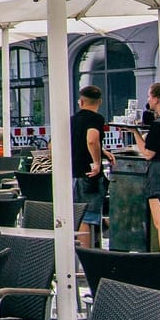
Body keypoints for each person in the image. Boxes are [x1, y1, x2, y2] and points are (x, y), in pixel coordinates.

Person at [71, 85, 110, 246]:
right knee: (87, 217)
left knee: (78, 214)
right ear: (99, 101)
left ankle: (82, 255)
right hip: (89, 175)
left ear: (81, 102)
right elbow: (91, 139)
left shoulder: (73, 119)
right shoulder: (96, 118)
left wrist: (103, 151)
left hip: (73, 173)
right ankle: (87, 256)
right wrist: (97, 162)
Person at [133, 79, 160, 162]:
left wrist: (134, 131)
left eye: (149, 96)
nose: (148, 100)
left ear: (155, 100)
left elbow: (148, 154)